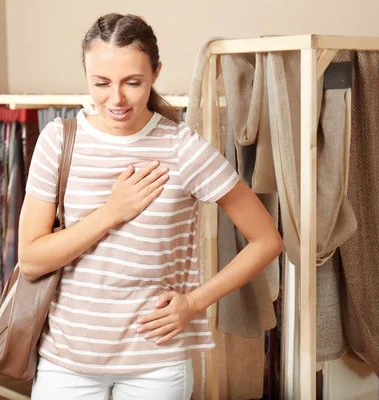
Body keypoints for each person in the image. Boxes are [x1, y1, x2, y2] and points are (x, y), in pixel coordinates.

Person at [19, 12, 284, 400]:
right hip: (66, 362)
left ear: (156, 72)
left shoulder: (183, 147)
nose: (117, 99)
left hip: (156, 364)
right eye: (101, 83)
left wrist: (193, 303)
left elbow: (267, 240)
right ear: (86, 74)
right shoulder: (59, 141)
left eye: (133, 82)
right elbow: (31, 260)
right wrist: (112, 211)